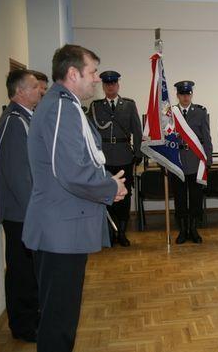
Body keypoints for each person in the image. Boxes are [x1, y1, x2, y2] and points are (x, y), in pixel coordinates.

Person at [22, 44, 127, 352]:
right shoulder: (60, 107)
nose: (96, 79)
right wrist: (110, 188)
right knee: (59, 324)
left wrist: (106, 183)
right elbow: (69, 170)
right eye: (92, 72)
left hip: (61, 230)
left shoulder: (62, 104)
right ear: (72, 73)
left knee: (59, 319)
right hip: (60, 232)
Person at [0, 69, 41, 342]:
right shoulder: (13, 122)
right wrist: (36, 211)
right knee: (21, 272)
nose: (40, 90)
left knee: (29, 270)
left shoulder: (25, 118)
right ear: (21, 91)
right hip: (20, 214)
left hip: (27, 212)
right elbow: (18, 176)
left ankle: (32, 317)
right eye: (35, 86)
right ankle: (23, 326)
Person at [88, 70, 143, 246]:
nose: (110, 87)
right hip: (104, 158)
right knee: (107, 194)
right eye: (107, 84)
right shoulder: (95, 106)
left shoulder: (128, 105)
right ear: (103, 86)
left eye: (113, 84)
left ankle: (122, 232)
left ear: (118, 85)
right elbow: (90, 133)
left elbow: (137, 130)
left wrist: (138, 153)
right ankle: (111, 232)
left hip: (124, 156)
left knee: (125, 194)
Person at [171, 80, 213, 244]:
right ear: (178, 95)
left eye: (188, 93)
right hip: (178, 161)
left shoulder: (200, 112)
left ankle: (194, 229)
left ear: (191, 94)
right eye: (182, 94)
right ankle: (182, 230)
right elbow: (165, 140)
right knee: (180, 198)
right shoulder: (170, 113)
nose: (185, 97)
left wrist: (208, 160)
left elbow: (207, 138)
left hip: (196, 161)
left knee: (195, 197)